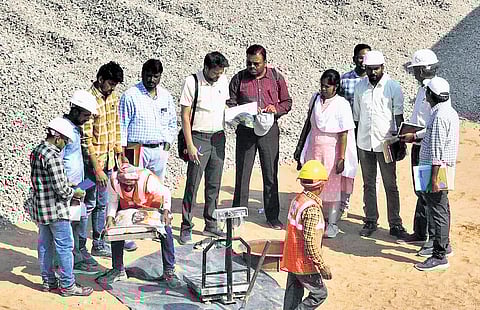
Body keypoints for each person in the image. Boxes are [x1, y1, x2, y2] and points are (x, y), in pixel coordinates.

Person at [227, 44, 293, 229]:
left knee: (270, 173)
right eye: (249, 63)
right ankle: (237, 215)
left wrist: (276, 109)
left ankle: (272, 216)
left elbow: (287, 102)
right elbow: (230, 103)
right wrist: (243, 112)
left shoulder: (276, 77)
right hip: (246, 131)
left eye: (256, 63)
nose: (252, 67)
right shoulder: (238, 78)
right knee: (242, 173)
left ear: (265, 62)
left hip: (269, 131)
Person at [30, 117, 93, 296]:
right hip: (57, 210)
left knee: (45, 246)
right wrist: (76, 192)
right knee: (65, 246)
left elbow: (47, 182)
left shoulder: (37, 151)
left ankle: (48, 281)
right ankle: (67, 285)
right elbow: (62, 190)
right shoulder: (54, 156)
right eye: (65, 141)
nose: (65, 145)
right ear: (58, 138)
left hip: (41, 208)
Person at [119, 59, 177, 251]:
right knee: (130, 190)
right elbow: (122, 125)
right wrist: (122, 152)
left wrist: (167, 143)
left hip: (159, 149)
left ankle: (155, 227)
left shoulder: (166, 96)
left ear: (160, 76)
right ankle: (127, 232)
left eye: (155, 76)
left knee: (156, 191)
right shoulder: (130, 95)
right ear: (142, 73)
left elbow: (171, 122)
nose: (151, 80)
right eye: (148, 75)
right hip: (136, 148)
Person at [353, 50, 409, 239]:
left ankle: (395, 223)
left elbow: (398, 116)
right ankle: (370, 220)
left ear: (383, 67)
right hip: (364, 143)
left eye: (376, 69)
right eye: (369, 69)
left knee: (390, 184)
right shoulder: (360, 87)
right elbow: (357, 117)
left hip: (386, 143)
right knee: (368, 184)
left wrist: (401, 143)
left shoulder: (392, 87)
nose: (373, 73)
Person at [296, 69, 358, 238]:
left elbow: (344, 132)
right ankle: (314, 219)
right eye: (322, 86)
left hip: (332, 150)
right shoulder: (315, 99)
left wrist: (342, 157)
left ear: (335, 87)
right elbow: (309, 124)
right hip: (314, 147)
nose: (323, 89)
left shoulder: (342, 104)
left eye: (327, 87)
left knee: (331, 187)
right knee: (312, 184)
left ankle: (332, 223)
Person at [96, 165, 179, 287]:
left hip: (150, 203)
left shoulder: (147, 180)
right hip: (128, 205)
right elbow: (113, 201)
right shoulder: (113, 181)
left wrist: (166, 211)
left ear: (136, 181)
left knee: (165, 229)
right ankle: (118, 269)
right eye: (125, 185)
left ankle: (169, 271)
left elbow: (166, 192)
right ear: (120, 181)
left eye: (131, 184)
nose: (128, 187)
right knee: (115, 229)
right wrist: (110, 217)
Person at [178, 52, 230, 244]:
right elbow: (184, 115)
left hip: (218, 137)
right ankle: (186, 225)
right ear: (206, 68)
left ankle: (211, 223)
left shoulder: (223, 81)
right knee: (193, 183)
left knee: (214, 183)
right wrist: (190, 144)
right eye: (215, 73)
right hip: (199, 137)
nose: (218, 76)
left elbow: (225, 105)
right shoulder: (192, 82)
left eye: (220, 73)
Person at [82, 61, 127, 257]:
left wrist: (119, 151)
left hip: (108, 161)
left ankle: (98, 242)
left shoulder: (112, 97)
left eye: (115, 85)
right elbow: (86, 139)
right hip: (93, 165)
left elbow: (115, 124)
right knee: (88, 204)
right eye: (110, 84)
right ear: (100, 79)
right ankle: (80, 246)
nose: (112, 88)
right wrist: (97, 168)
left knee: (102, 203)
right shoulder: (89, 100)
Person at [414, 77, 459, 271]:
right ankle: (444, 246)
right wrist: (414, 136)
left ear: (431, 95)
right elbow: (431, 133)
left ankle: (439, 255)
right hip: (438, 168)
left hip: (435, 170)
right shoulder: (446, 111)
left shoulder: (440, 116)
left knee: (438, 211)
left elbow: (437, 149)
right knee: (441, 207)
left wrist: (433, 178)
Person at [398, 49, 439, 245]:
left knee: (428, 192)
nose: (413, 73)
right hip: (417, 144)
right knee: (420, 190)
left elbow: (433, 125)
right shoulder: (423, 88)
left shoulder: (435, 90)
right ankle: (420, 232)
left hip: (427, 148)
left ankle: (431, 237)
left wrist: (414, 135)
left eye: (415, 70)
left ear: (423, 70)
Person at [281, 160, 332, 309]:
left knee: (293, 294)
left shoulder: (298, 200)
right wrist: (321, 266)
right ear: (321, 185)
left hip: (291, 258)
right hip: (303, 263)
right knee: (319, 294)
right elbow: (310, 241)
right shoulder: (312, 209)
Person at [61, 90, 99, 271]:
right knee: (64, 229)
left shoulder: (76, 129)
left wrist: (87, 185)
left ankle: (75, 259)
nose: (86, 119)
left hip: (77, 188)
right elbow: (57, 161)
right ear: (75, 111)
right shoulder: (63, 130)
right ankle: (61, 266)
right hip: (65, 190)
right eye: (85, 115)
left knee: (76, 223)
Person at [339, 43, 371, 218]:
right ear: (354, 59)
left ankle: (369, 211)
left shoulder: (375, 82)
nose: (363, 62)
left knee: (369, 173)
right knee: (348, 169)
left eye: (367, 58)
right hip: (350, 132)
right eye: (360, 57)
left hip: (368, 133)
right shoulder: (345, 80)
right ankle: (343, 205)